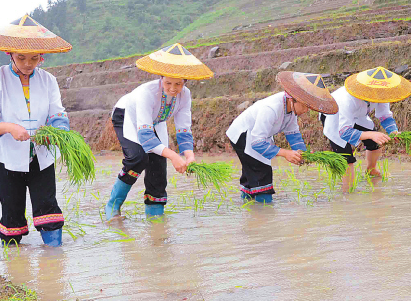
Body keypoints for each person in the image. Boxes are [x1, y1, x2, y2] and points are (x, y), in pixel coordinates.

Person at [0, 14, 72, 246]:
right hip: (6, 158)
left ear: (42, 57)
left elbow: (58, 114)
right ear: (10, 54)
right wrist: (9, 128)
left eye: (34, 58)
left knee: (48, 208)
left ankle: (54, 261)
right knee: (12, 212)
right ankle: (13, 269)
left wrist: (56, 133)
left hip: (41, 155)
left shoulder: (49, 80)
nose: (28, 63)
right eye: (21, 58)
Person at [105, 43, 214, 219]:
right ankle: (113, 205)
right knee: (138, 158)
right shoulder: (146, 93)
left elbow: (183, 129)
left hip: (155, 122)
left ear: (185, 82)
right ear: (160, 78)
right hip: (126, 116)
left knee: (158, 165)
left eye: (178, 84)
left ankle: (155, 216)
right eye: (168, 82)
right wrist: (173, 155)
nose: (172, 88)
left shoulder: (185, 95)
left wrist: (189, 156)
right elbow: (145, 136)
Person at [226, 71, 338, 203]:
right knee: (261, 174)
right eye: (305, 106)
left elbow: (294, 135)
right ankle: (264, 212)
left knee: (251, 175)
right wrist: (285, 153)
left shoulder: (291, 110)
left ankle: (249, 208)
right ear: (293, 99)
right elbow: (256, 143)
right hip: (243, 135)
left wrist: (304, 154)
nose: (306, 110)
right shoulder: (271, 108)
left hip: (259, 136)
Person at [320, 66, 411, 191]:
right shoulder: (346, 100)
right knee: (346, 157)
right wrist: (370, 135)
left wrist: (394, 132)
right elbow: (344, 132)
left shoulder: (381, 93)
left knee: (375, 142)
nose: (380, 96)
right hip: (335, 116)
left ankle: (371, 169)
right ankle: (347, 192)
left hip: (358, 116)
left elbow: (385, 116)